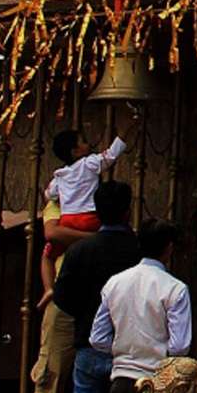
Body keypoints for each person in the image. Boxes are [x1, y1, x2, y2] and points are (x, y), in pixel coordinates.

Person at [51, 182, 140, 393]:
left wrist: (84, 312)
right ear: (127, 211)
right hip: (127, 350)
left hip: (87, 343)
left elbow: (62, 297)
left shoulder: (80, 250)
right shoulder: (138, 251)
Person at [89, 221, 190, 393]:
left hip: (121, 378)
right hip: (155, 383)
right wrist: (155, 352)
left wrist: (122, 349)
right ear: (169, 248)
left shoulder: (115, 283)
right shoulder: (174, 289)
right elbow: (180, 347)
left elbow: (97, 338)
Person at [26, 199, 97, 393]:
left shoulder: (97, 203)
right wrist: (96, 238)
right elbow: (52, 235)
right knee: (50, 374)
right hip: (64, 299)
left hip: (97, 298)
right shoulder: (60, 202)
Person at [40, 129, 125, 308]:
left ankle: (48, 288)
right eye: (84, 141)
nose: (88, 144)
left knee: (48, 255)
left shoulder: (60, 175)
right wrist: (126, 133)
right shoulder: (89, 163)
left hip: (69, 220)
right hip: (90, 219)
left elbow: (49, 194)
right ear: (75, 151)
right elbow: (111, 155)